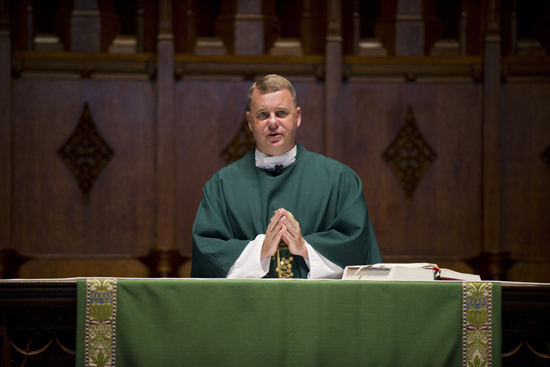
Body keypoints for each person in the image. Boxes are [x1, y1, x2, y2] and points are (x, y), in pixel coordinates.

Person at [191, 74, 381, 278]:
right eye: (263, 114)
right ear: (249, 121)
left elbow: (358, 248)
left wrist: (305, 248)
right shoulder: (222, 186)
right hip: (249, 307)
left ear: (297, 117)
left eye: (281, 113)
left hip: (317, 307)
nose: (273, 123)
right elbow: (207, 251)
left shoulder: (340, 180)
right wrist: (260, 251)